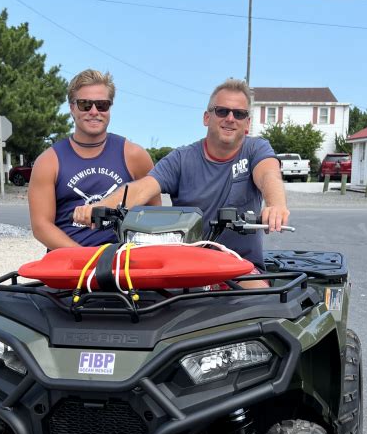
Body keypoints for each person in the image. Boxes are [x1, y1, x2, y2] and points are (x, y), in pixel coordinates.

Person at [72, 77, 290, 287]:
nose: (230, 118)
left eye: (239, 114)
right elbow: (143, 188)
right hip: (188, 268)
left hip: (239, 265)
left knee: (262, 303)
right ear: (207, 117)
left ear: (247, 123)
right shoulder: (182, 158)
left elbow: (268, 174)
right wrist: (101, 207)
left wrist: (275, 205)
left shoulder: (255, 149)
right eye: (222, 111)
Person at [28, 68, 160, 249]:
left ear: (109, 108)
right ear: (72, 108)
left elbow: (154, 217)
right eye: (85, 104)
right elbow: (41, 226)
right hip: (70, 264)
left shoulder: (135, 156)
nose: (94, 111)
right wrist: (85, 259)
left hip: (124, 262)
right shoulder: (49, 162)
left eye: (102, 105)